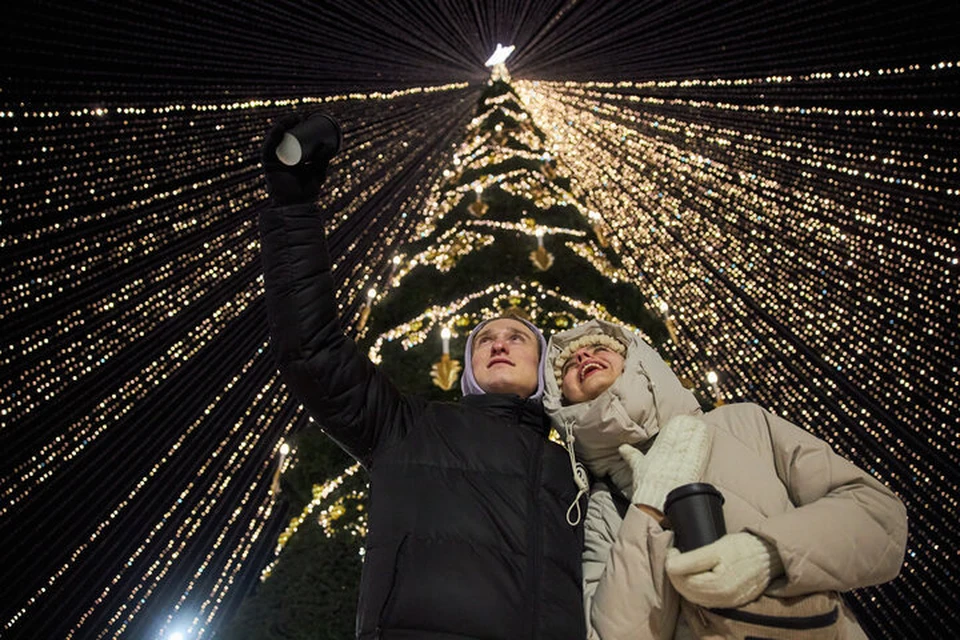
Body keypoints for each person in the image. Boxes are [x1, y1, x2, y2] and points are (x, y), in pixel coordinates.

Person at [258, 112, 586, 639]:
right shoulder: (410, 428)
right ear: (468, 372)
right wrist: (293, 211)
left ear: (546, 365)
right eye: (483, 339)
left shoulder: (578, 466)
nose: (498, 342)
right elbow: (312, 350)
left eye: (517, 337)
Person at [542, 318, 908, 639]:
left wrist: (767, 553)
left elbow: (877, 514)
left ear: (637, 361)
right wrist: (647, 509)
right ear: (562, 402)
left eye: (598, 347)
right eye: (567, 367)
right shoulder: (600, 506)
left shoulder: (743, 424)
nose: (582, 358)